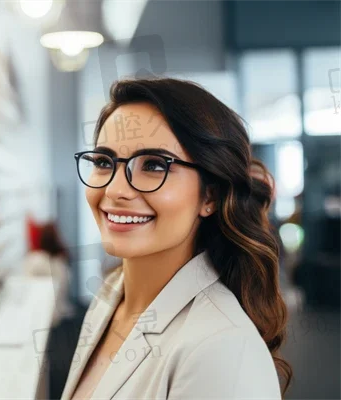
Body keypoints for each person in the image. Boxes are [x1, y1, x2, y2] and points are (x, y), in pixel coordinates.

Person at [62, 78, 292, 400]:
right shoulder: (111, 294)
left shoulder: (223, 348)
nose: (115, 190)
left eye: (154, 165)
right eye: (104, 162)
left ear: (209, 195)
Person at [23, 221, 75, 327]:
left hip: (46, 318)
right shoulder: (61, 261)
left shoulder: (36, 259)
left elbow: (27, 287)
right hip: (62, 315)